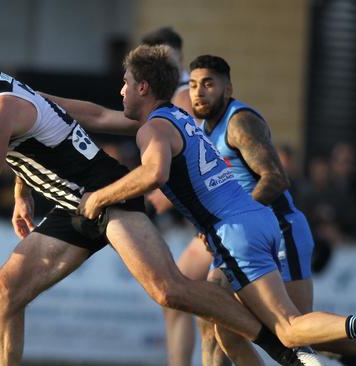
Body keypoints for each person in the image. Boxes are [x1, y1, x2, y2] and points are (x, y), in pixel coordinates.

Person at [0, 17, 312, 366]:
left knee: (169, 290)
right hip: (73, 207)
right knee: (2, 292)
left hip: (107, 194)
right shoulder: (0, 96)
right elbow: (66, 125)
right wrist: (22, 192)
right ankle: (280, 340)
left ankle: (279, 342)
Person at [45, 45, 356, 365]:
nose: (121, 89)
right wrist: (38, 99)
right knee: (228, 328)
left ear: (143, 87)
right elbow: (96, 116)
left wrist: (99, 197)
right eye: (193, 84)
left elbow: (154, 174)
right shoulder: (177, 119)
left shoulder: (158, 129)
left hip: (237, 232)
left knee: (289, 329)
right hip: (254, 222)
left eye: (126, 82)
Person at [141, 26, 224, 366]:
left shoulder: (181, 96)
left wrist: (161, 189)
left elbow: (196, 154)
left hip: (225, 215)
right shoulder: (190, 92)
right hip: (222, 213)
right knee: (182, 298)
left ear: (176, 58)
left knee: (206, 307)